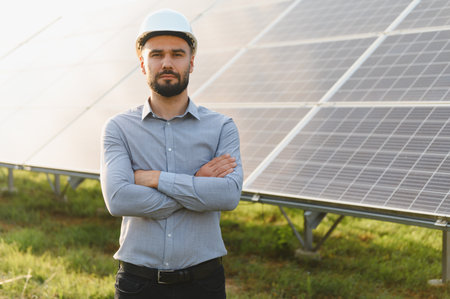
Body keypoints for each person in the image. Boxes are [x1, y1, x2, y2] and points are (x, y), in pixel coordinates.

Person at [100, 8, 243, 299]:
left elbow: (227, 196)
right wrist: (197, 182)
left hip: (204, 283)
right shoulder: (118, 128)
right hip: (137, 284)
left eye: (177, 54)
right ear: (142, 63)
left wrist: (154, 178)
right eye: (157, 54)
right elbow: (118, 199)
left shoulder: (221, 127)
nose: (167, 63)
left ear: (192, 62)